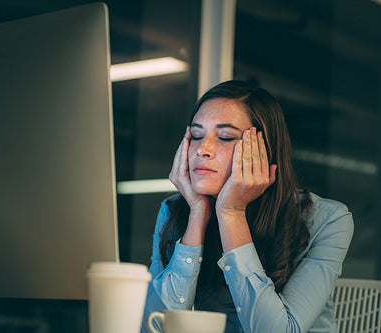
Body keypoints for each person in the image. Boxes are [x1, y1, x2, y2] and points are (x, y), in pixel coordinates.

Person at [141, 80, 354, 333]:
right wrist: (197, 214)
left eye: (225, 137)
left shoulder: (328, 220)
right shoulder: (173, 210)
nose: (202, 149)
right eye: (196, 135)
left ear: (264, 151)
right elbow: (154, 325)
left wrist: (231, 214)